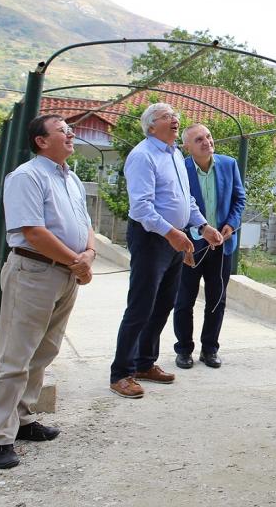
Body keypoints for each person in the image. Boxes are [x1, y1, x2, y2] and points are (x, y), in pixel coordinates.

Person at [0, 114, 96, 469]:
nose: (71, 135)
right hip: (34, 272)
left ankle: (24, 419)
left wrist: (88, 255)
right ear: (41, 141)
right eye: (63, 131)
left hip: (66, 274)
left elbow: (87, 224)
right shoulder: (26, 177)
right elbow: (32, 231)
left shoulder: (72, 179)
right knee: (16, 356)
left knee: (45, 351)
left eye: (70, 131)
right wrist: (76, 262)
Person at [109, 103, 223, 399]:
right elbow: (142, 208)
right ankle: (121, 373)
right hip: (152, 238)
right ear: (150, 126)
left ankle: (145, 363)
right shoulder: (142, 156)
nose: (175, 120)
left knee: (163, 304)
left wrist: (202, 226)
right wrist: (173, 233)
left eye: (175, 116)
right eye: (166, 117)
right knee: (140, 306)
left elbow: (185, 200)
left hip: (175, 237)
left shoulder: (174, 154)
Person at [173, 124, 246, 370]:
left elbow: (239, 198)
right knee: (184, 300)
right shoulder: (180, 169)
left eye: (208, 136)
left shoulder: (229, 164)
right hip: (190, 247)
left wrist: (232, 225)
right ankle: (183, 350)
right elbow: (175, 208)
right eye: (198, 139)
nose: (206, 142)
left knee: (217, 300)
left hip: (222, 246)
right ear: (187, 146)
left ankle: (210, 349)